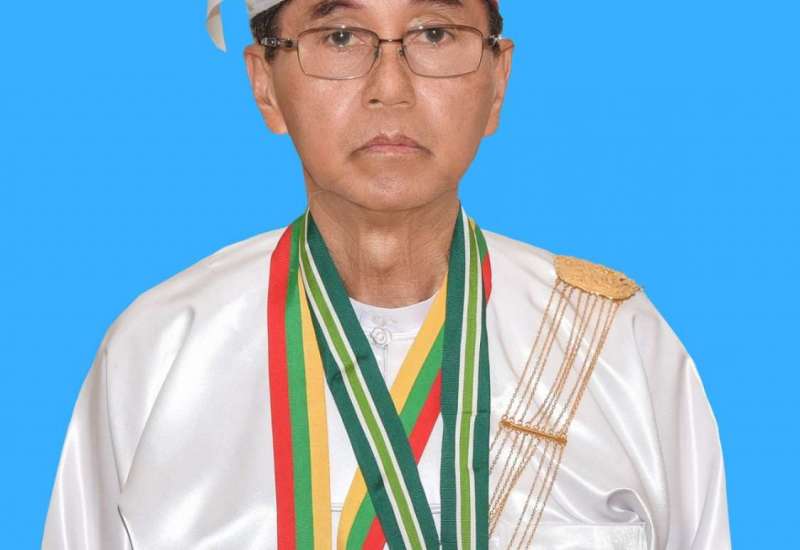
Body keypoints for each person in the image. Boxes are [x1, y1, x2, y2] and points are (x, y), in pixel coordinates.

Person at [42, 0, 731, 548]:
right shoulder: (160, 349)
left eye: (435, 33)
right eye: (340, 37)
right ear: (265, 84)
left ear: (498, 81)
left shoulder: (612, 342)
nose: (391, 90)